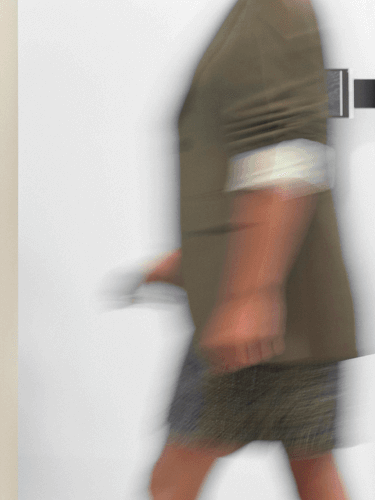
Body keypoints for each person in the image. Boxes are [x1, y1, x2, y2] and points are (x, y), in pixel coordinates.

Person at [138, 0, 358, 499]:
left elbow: (286, 158)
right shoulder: (258, 12)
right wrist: (192, 259)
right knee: (311, 467)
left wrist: (250, 296)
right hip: (271, 298)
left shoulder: (274, 10)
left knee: (175, 478)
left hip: (263, 306)